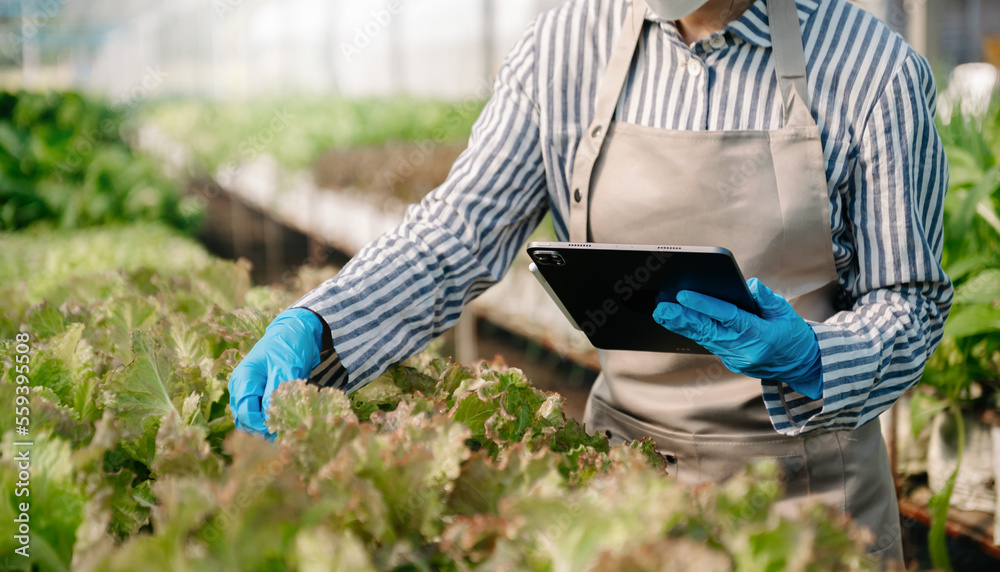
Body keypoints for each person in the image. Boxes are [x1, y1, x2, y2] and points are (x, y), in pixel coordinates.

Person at [228, 0, 952, 561]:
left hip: (812, 501)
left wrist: (813, 356)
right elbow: (458, 233)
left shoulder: (871, 71)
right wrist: (321, 325)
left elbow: (910, 301)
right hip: (623, 487)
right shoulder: (566, 48)